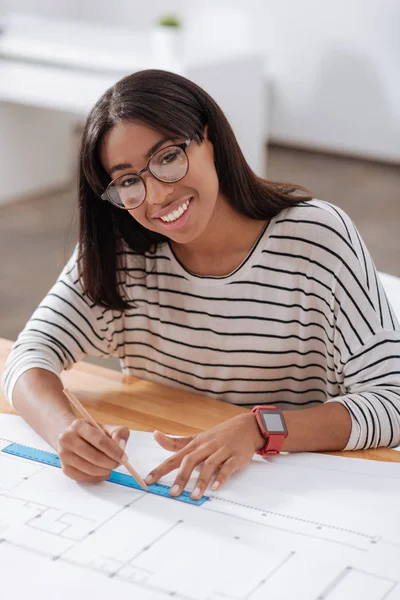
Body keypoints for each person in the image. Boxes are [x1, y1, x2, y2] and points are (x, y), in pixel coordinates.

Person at [3, 70, 400, 501]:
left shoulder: (318, 237)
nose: (155, 198)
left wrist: (257, 428)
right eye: (128, 181)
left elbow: (393, 401)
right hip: (174, 494)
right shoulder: (120, 249)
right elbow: (29, 356)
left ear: (208, 137)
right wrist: (65, 431)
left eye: (168, 158)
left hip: (289, 494)